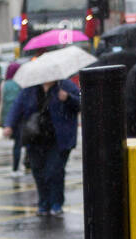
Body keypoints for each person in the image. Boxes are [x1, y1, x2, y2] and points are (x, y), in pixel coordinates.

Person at [6, 77, 80, 217]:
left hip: (59, 139)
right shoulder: (30, 88)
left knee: (54, 171)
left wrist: (68, 98)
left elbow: (82, 102)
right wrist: (9, 124)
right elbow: (17, 106)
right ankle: (43, 203)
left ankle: (56, 204)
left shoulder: (65, 85)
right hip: (35, 138)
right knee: (39, 172)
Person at [0, 62, 25, 173]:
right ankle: (25, 163)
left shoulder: (4, 84)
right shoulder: (21, 83)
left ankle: (15, 167)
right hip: (21, 117)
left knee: (17, 144)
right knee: (23, 141)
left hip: (9, 117)